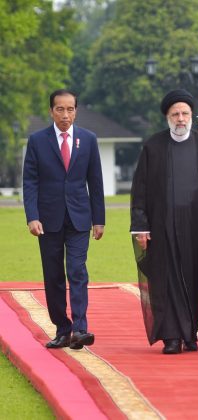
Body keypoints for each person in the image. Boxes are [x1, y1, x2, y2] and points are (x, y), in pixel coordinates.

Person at [130, 89, 198, 354]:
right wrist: (141, 226)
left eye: (185, 114)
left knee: (193, 278)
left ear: (191, 116)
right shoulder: (154, 146)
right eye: (175, 114)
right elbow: (140, 189)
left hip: (197, 226)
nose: (180, 119)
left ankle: (188, 332)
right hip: (162, 226)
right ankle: (171, 336)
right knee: (166, 279)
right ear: (167, 117)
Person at [23, 89, 105, 350]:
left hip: (80, 217)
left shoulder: (88, 140)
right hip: (47, 220)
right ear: (51, 111)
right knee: (54, 275)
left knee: (78, 271)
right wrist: (32, 217)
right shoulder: (37, 141)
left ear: (76, 112)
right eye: (60, 109)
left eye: (70, 109)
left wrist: (99, 219)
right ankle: (62, 329)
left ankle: (80, 329)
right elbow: (30, 182)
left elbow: (95, 181)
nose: (65, 115)